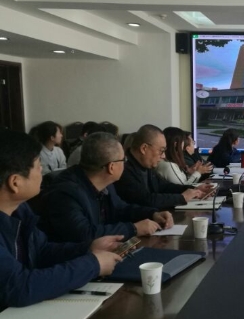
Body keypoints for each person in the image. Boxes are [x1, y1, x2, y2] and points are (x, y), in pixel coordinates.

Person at [0, 130, 122, 308]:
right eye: (38, 165)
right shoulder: (65, 191)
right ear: (15, 182)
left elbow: (42, 251)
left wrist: (88, 248)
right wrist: (93, 265)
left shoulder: (20, 210)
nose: (42, 170)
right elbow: (18, 287)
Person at [40, 132, 174, 242]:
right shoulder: (66, 193)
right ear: (111, 167)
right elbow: (84, 234)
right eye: (124, 160)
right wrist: (133, 229)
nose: (125, 164)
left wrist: (152, 213)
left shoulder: (105, 184)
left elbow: (121, 208)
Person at [114, 124, 209, 209]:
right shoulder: (124, 169)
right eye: (161, 151)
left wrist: (193, 189)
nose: (163, 156)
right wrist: (182, 197)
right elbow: (146, 200)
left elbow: (164, 186)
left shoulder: (145, 165)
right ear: (144, 148)